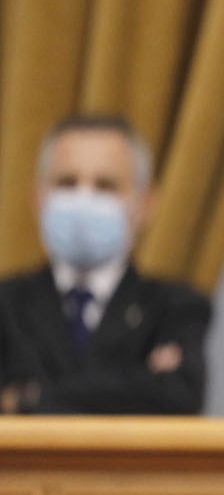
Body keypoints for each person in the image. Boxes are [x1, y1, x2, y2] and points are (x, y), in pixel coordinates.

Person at [0, 114, 210, 415]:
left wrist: (28, 399)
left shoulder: (176, 307)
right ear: (37, 198)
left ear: (146, 204)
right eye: (67, 182)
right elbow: (151, 396)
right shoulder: (6, 304)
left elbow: (177, 397)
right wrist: (137, 383)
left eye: (105, 186)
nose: (84, 198)